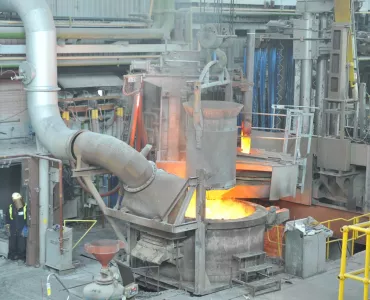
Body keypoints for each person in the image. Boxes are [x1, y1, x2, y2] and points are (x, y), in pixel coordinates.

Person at [5, 193, 27, 261]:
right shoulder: (10, 207)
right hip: (13, 228)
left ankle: (21, 257)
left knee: (21, 244)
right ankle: (12, 256)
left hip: (22, 227)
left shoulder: (25, 207)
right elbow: (7, 218)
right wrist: (7, 229)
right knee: (12, 243)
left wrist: (26, 228)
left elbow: (28, 219)